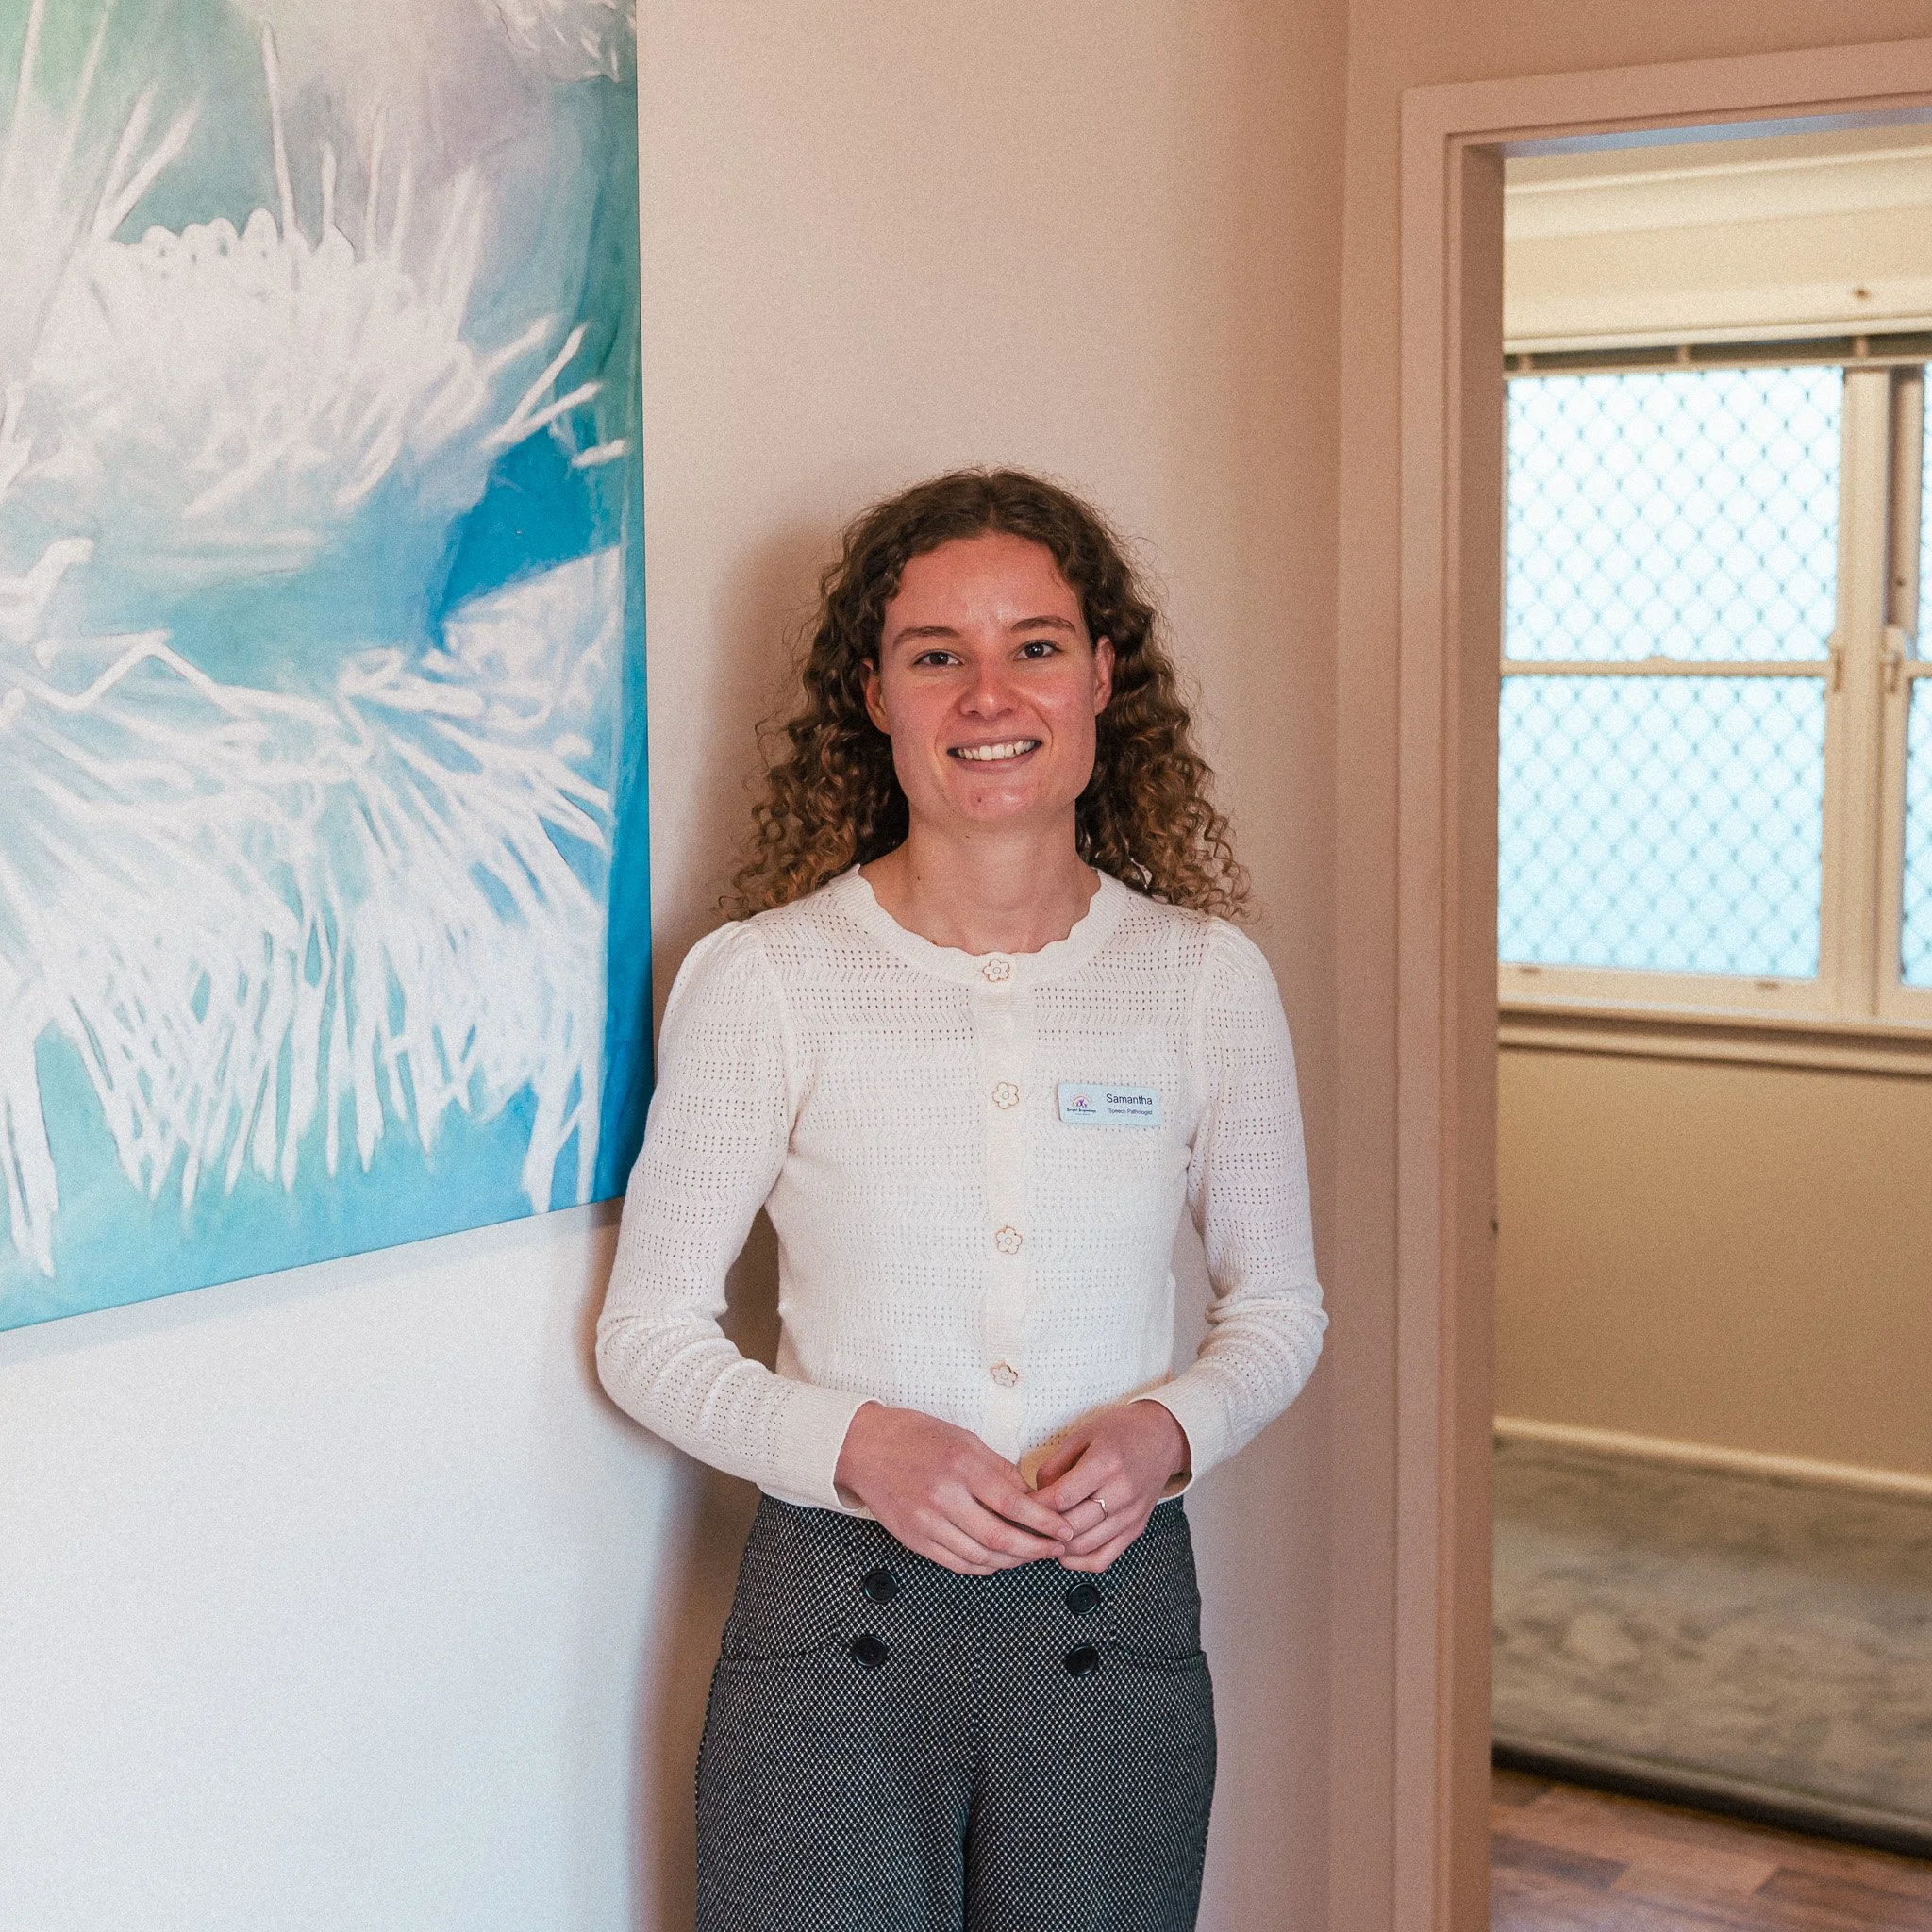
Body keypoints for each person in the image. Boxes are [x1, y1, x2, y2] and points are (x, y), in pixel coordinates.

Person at [595, 468, 1326, 1932]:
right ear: (874, 693)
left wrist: (1168, 1427)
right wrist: (856, 1445)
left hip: (1110, 1638)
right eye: (938, 654)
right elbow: (647, 1334)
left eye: (1036, 645)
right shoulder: (769, 978)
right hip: (830, 1641)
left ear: (1104, 675)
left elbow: (1281, 1308)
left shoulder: (1201, 979)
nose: (990, 694)